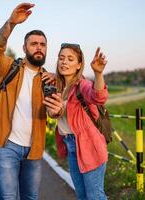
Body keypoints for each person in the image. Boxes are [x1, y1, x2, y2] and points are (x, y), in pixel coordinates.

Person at [0, 3, 62, 200]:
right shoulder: (9, 67)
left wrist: (57, 109)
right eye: (34, 44)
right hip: (6, 146)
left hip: (34, 150)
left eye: (42, 45)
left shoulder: (49, 80)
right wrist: (11, 23)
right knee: (8, 197)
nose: (39, 48)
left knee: (31, 197)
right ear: (24, 47)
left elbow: (55, 112)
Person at [43, 43, 109, 200]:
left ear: (79, 65)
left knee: (95, 196)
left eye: (70, 59)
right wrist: (53, 112)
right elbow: (54, 113)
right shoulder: (57, 86)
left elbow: (99, 97)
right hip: (71, 146)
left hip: (89, 145)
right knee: (82, 196)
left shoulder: (83, 85)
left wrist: (98, 74)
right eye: (61, 58)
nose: (64, 62)